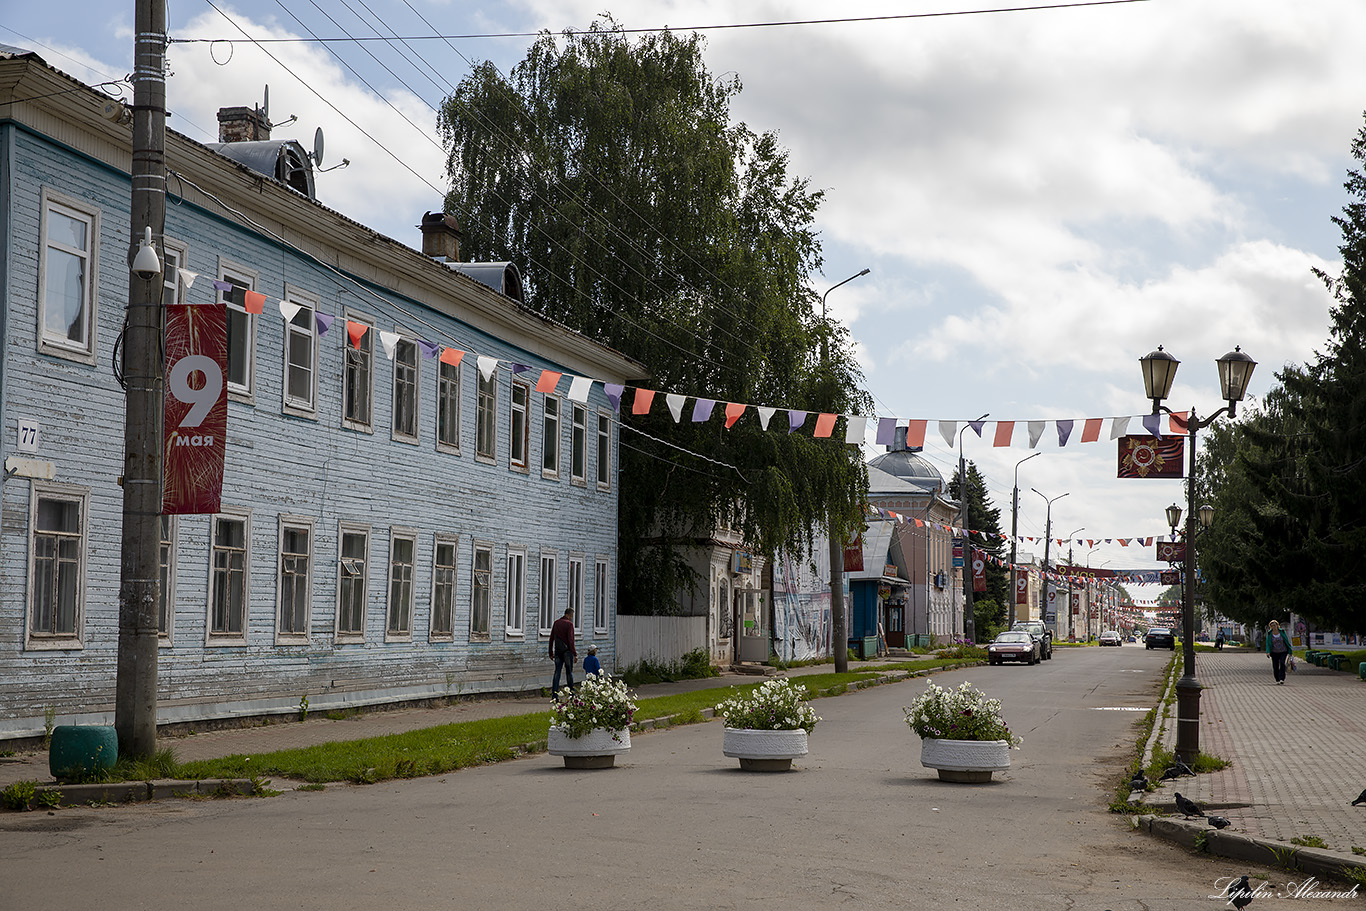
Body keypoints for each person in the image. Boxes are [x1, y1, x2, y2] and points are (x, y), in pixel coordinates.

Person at [549, 607, 577, 695]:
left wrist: (550, 652)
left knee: (557, 672)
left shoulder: (556, 623)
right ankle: (571, 693)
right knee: (569, 672)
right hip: (567, 652)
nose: (571, 618)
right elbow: (571, 640)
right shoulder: (569, 624)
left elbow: (551, 638)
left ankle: (554, 694)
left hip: (558, 651)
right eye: (571, 616)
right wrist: (574, 653)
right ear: (569, 614)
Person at [1265, 619, 1292, 684]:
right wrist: (1268, 652)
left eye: (1274, 625)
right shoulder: (1269, 633)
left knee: (1282, 663)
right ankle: (1277, 679)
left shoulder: (1282, 631)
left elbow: (1286, 640)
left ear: (1277, 625)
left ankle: (1282, 678)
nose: (1273, 627)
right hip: (1274, 652)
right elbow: (1268, 643)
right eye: (1272, 626)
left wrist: (1290, 650)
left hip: (1283, 651)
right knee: (1275, 666)